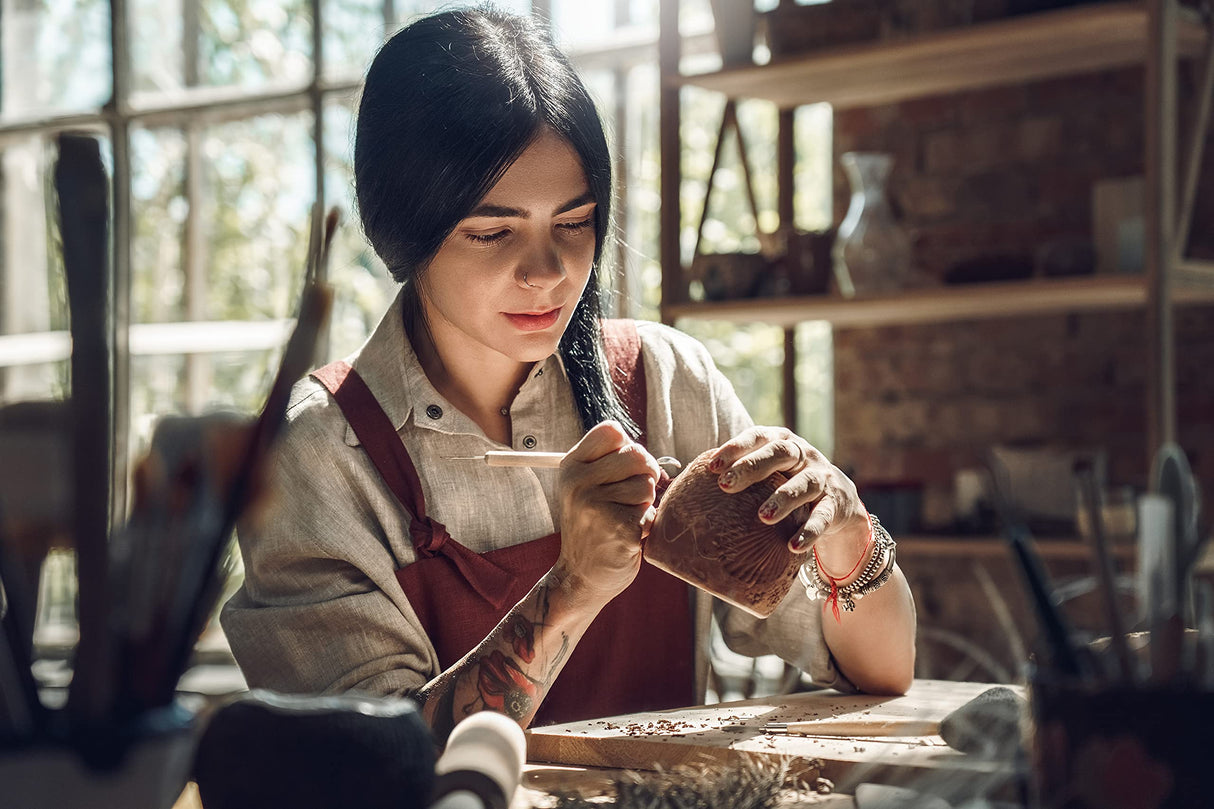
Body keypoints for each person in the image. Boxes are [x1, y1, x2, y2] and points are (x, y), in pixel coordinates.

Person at [221, 6, 916, 741]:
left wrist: (847, 535)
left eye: (575, 223)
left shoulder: (665, 379)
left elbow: (883, 670)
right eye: (493, 231)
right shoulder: (317, 455)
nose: (548, 272)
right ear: (404, 230)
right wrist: (575, 585)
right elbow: (369, 764)